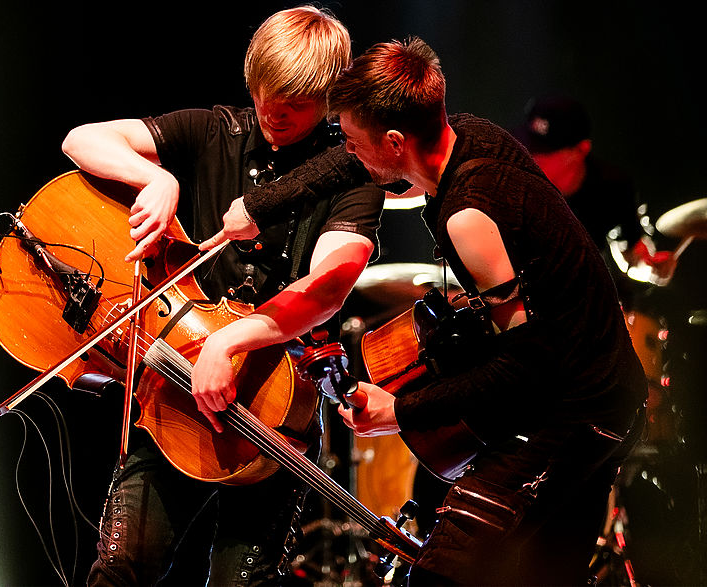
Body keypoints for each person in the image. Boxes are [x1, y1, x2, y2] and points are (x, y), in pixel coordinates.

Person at [206, 37, 648, 585]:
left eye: (353, 141)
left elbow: (528, 364)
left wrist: (404, 410)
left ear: (394, 142)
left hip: (580, 414)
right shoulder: (470, 132)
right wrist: (257, 207)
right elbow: (340, 169)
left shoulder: (468, 213)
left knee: (442, 576)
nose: (347, 152)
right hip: (606, 396)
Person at [60, 5, 383, 586]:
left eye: (295, 105)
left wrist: (232, 341)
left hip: (275, 405)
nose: (272, 113)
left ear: (331, 97)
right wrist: (157, 178)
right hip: (176, 387)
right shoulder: (214, 130)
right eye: (263, 95)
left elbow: (331, 282)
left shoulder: (353, 167)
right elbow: (81, 139)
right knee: (119, 571)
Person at [513, 94, 675, 297]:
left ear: (581, 150)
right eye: (528, 145)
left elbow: (630, 256)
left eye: (548, 151)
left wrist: (651, 271)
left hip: (578, 302)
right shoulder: (509, 182)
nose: (531, 155)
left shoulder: (611, 187)